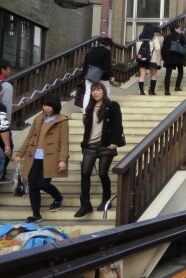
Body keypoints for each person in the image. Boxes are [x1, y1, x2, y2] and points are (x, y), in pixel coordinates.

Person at [14, 94, 69, 223]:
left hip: (50, 158)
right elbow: (29, 137)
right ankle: (36, 214)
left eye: (49, 106)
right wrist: (19, 154)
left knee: (43, 183)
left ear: (55, 106)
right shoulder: (39, 118)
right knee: (33, 185)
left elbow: (64, 142)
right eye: (45, 105)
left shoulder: (62, 121)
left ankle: (58, 197)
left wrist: (63, 159)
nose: (46, 108)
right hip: (34, 156)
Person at [76, 83, 124, 217]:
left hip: (105, 144)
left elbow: (118, 124)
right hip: (90, 145)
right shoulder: (89, 107)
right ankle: (85, 204)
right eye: (93, 90)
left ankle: (106, 199)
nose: (95, 93)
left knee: (103, 173)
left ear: (104, 91)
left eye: (98, 90)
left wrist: (114, 142)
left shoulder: (113, 105)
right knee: (85, 173)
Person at [81, 37, 117, 109]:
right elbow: (107, 66)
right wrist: (110, 76)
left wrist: (84, 77)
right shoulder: (107, 52)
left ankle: (85, 113)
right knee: (105, 92)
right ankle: (102, 110)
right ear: (109, 45)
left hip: (90, 77)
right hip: (103, 77)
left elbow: (85, 66)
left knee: (88, 94)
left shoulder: (90, 52)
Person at [136, 24, 163, 95]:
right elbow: (158, 48)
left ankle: (141, 91)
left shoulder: (139, 37)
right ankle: (152, 91)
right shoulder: (153, 37)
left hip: (141, 58)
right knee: (153, 75)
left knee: (142, 75)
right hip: (152, 59)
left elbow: (137, 49)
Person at [162, 25, 186, 95]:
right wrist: (184, 54)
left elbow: (163, 49)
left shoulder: (167, 37)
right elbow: (185, 46)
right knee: (180, 72)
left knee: (168, 74)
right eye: (179, 28)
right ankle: (177, 86)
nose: (180, 30)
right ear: (176, 29)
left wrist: (165, 58)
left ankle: (167, 90)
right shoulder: (181, 36)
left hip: (169, 58)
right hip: (179, 58)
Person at [0, 59, 14, 179]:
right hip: (2, 126)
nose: (9, 71)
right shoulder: (6, 86)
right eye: (8, 68)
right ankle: (2, 173)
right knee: (8, 148)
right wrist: (7, 126)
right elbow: (6, 109)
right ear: (2, 70)